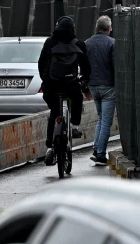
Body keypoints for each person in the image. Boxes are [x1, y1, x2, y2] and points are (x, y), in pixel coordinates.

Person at [37, 15, 90, 165]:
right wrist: (84, 79)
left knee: (54, 113)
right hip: (71, 85)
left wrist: (46, 79)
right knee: (77, 99)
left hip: (52, 86)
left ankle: (49, 147)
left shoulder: (50, 42)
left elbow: (41, 64)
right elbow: (86, 66)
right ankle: (75, 126)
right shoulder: (78, 43)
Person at [86, 16, 116, 164]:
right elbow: (115, 65)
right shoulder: (112, 43)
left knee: (100, 118)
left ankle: (96, 147)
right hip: (108, 87)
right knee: (106, 122)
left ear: (97, 27)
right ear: (108, 28)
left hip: (93, 86)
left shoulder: (87, 43)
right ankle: (100, 154)